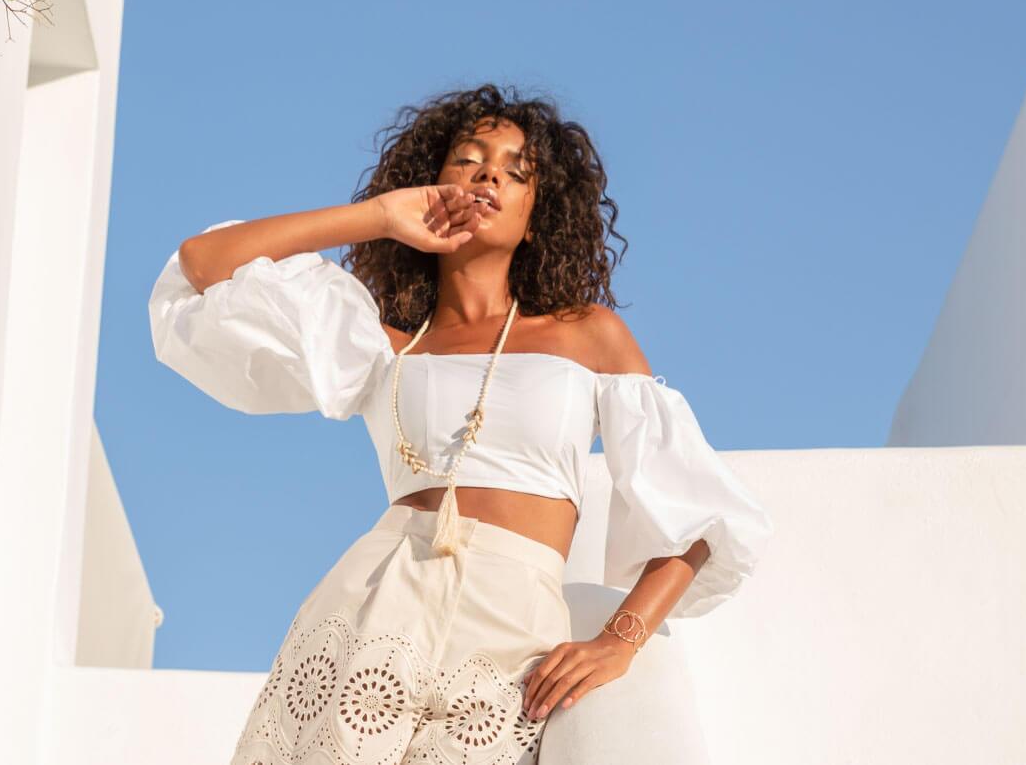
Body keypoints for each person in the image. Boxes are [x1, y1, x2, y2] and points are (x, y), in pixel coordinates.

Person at [148, 84, 775, 765]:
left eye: (515, 171)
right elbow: (203, 265)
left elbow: (698, 511)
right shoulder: (383, 344)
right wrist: (379, 216)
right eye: (468, 160)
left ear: (537, 217)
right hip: (369, 610)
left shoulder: (587, 336)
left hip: (513, 630)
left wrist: (619, 640)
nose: (487, 176)